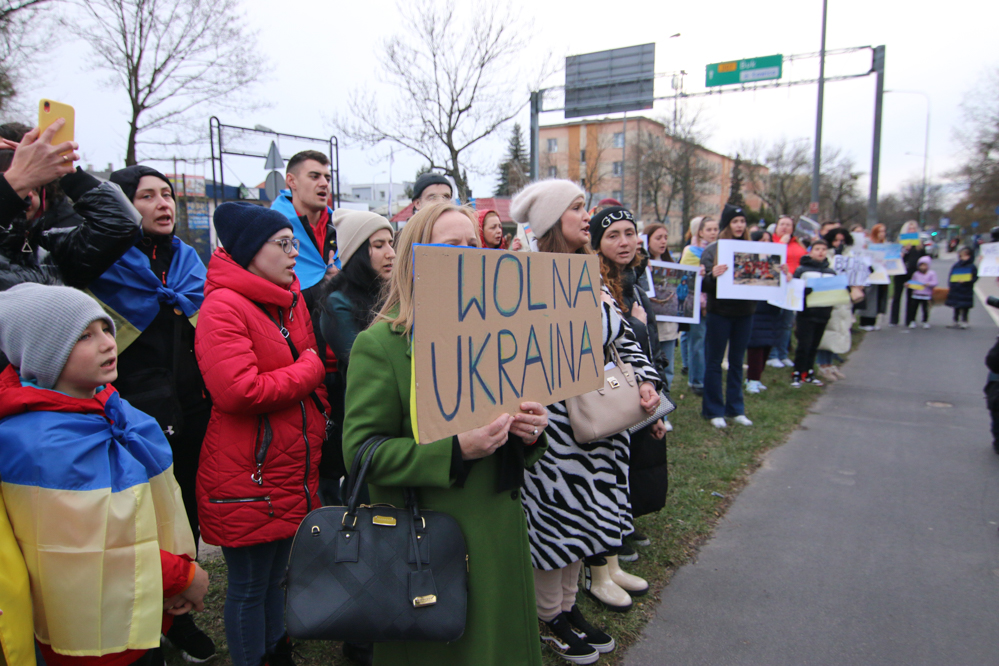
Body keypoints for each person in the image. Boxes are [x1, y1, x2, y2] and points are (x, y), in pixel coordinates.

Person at [341, 202, 550, 666]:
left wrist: (530, 433)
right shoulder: (381, 345)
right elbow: (362, 454)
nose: (466, 256)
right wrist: (454, 450)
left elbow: (510, 434)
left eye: (472, 246)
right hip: (431, 540)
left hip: (499, 532)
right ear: (416, 257)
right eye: (449, 246)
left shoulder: (497, 332)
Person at [0, 283, 207, 666]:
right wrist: (180, 577)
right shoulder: (38, 444)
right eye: (84, 336)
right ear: (45, 353)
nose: (108, 343)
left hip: (134, 609)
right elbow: (94, 549)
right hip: (88, 642)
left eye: (106, 329)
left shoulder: (108, 407)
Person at [511, 181, 660, 664]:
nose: (585, 214)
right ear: (555, 220)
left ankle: (569, 608)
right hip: (556, 429)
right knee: (555, 524)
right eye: (576, 207)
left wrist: (648, 383)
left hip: (601, 424)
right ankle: (548, 616)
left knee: (586, 524)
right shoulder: (528, 277)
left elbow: (624, 341)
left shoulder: (590, 275)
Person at [85, 165, 216, 660]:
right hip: (133, 410)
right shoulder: (105, 269)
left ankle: (179, 614)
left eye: (167, 195)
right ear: (122, 206)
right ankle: (147, 614)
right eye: (147, 196)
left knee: (185, 510)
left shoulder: (187, 262)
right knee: (140, 515)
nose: (164, 204)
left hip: (193, 404)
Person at [195, 202, 329, 666]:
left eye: (295, 242)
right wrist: (308, 372)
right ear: (251, 250)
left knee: (277, 577)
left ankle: (277, 652)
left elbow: (309, 362)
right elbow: (238, 391)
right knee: (250, 586)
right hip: (245, 472)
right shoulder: (223, 307)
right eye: (284, 243)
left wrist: (317, 407)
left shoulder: (287, 298)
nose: (295, 253)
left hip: (289, 464)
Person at [593, 207, 669, 565]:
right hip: (612, 389)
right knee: (617, 459)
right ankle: (614, 534)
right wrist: (635, 325)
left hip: (642, 384)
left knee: (639, 455)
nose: (624, 242)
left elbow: (649, 342)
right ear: (597, 243)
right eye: (613, 235)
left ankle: (627, 521)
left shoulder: (635, 279)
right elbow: (616, 341)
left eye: (629, 233)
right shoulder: (597, 282)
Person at [270, 151, 345, 499]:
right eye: (314, 176)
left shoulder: (336, 227)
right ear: (291, 182)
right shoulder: (272, 228)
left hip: (340, 360)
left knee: (338, 456)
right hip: (299, 362)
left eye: (327, 178)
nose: (323, 184)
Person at [0, 121, 139, 293]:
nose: (26, 194)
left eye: (33, 186)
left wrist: (64, 171)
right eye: (9, 182)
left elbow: (120, 224)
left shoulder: (50, 252)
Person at [700, 204, 757, 428]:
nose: (740, 225)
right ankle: (713, 410)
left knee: (736, 361)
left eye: (742, 221)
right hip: (720, 313)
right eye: (735, 221)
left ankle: (736, 408)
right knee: (714, 361)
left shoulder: (753, 249)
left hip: (745, 313)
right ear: (727, 224)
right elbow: (702, 282)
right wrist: (713, 276)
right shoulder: (713, 250)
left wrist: (777, 273)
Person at [791, 239, 846, 387]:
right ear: (811, 252)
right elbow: (794, 289)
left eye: (823, 249)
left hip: (823, 313)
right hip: (806, 314)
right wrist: (804, 293)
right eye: (817, 249)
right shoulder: (803, 270)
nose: (820, 252)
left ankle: (809, 372)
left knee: (815, 345)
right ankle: (797, 373)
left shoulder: (830, 272)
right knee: (804, 344)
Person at [679, 215, 717, 396]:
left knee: (709, 342)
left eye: (715, 229)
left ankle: (705, 377)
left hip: (716, 305)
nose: (713, 233)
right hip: (697, 305)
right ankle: (697, 381)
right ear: (700, 232)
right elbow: (688, 280)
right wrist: (702, 303)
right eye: (708, 229)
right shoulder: (691, 252)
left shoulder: (720, 251)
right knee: (697, 342)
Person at [767, 215, 804, 368]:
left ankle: (783, 354)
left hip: (793, 286)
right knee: (775, 321)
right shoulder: (772, 242)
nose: (785, 227)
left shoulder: (798, 244)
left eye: (788, 225)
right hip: (775, 285)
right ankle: (772, 354)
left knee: (787, 323)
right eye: (782, 224)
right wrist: (782, 243)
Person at [746, 230, 778, 393]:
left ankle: (757, 377)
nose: (766, 243)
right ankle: (752, 378)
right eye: (762, 240)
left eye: (768, 240)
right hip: (756, 307)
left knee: (767, 341)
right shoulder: (749, 260)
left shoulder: (775, 261)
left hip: (771, 306)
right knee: (757, 342)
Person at [890, 220, 925, 326]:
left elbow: (924, 258)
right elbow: (894, 258)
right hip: (900, 272)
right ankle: (894, 320)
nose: (912, 230)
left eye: (914, 229)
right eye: (910, 229)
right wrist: (905, 250)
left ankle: (910, 320)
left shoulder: (919, 245)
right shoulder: (899, 243)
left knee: (911, 297)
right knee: (897, 296)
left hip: (913, 273)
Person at [858, 223, 888, 331]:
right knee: (870, 296)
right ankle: (865, 321)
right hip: (870, 273)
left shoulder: (885, 244)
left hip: (882, 274)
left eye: (884, 231)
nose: (882, 234)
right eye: (880, 231)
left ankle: (874, 320)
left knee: (879, 297)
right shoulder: (868, 242)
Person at [945, 247, 978, 329]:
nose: (963, 258)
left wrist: (968, 281)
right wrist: (951, 285)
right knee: (956, 306)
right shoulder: (956, 265)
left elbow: (975, 277)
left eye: (965, 256)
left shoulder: (972, 266)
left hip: (966, 289)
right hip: (956, 288)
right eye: (962, 256)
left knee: (965, 307)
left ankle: (964, 321)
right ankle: (955, 320)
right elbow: (951, 276)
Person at [905, 255, 938, 329]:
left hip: (926, 294)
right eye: (921, 265)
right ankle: (912, 320)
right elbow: (912, 282)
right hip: (916, 294)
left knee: (925, 309)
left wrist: (928, 284)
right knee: (914, 308)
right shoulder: (916, 274)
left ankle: (925, 321)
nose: (922, 267)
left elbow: (935, 282)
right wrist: (908, 284)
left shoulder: (931, 274)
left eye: (924, 265)